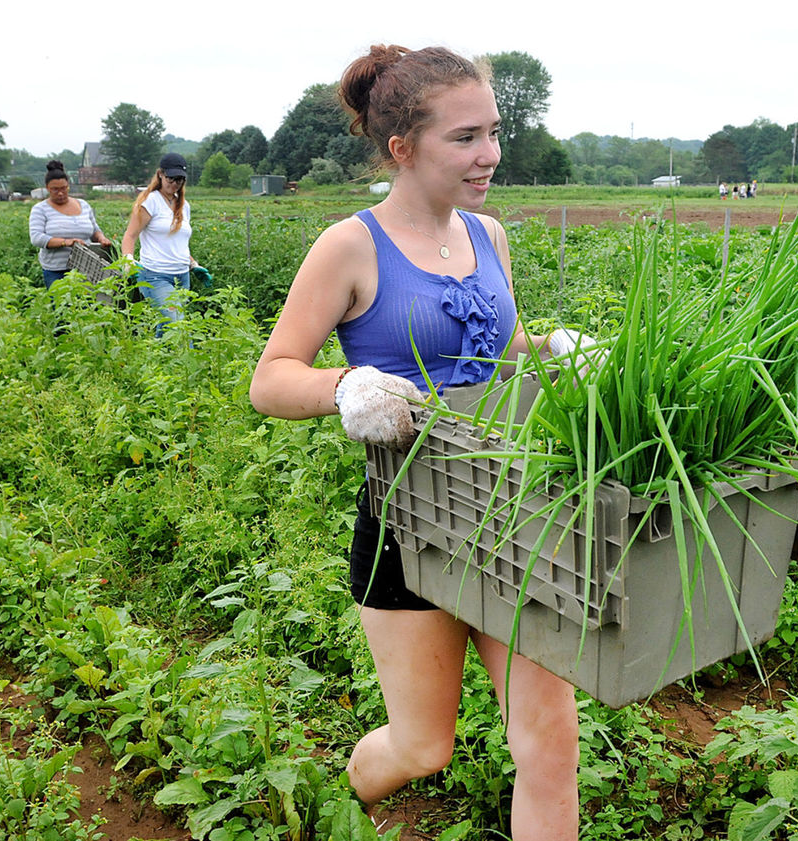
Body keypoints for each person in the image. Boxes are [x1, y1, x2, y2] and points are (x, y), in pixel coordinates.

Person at [249, 45, 580, 840]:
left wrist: (550, 349)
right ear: (402, 147)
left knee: (551, 745)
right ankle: (331, 810)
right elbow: (271, 378)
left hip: (511, 511)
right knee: (424, 747)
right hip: (410, 522)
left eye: (492, 132)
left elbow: (493, 349)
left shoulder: (488, 235)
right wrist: (347, 386)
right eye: (464, 137)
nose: (489, 154)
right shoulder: (351, 246)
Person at [121, 153, 202, 336]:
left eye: (179, 180)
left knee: (166, 328)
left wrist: (193, 263)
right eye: (170, 178)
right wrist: (128, 259)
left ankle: (154, 354)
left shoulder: (184, 206)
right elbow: (130, 235)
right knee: (178, 326)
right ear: (160, 175)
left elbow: (177, 243)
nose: (174, 184)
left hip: (182, 276)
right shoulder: (150, 202)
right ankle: (187, 355)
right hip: (155, 276)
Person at [27, 160, 113, 288]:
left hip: (86, 268)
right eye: (55, 189)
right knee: (61, 299)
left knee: (88, 299)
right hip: (57, 270)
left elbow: (94, 230)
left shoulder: (83, 205)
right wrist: (66, 242)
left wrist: (101, 238)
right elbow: (36, 238)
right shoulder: (40, 209)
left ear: (68, 186)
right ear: (47, 188)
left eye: (63, 188)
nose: (60, 193)